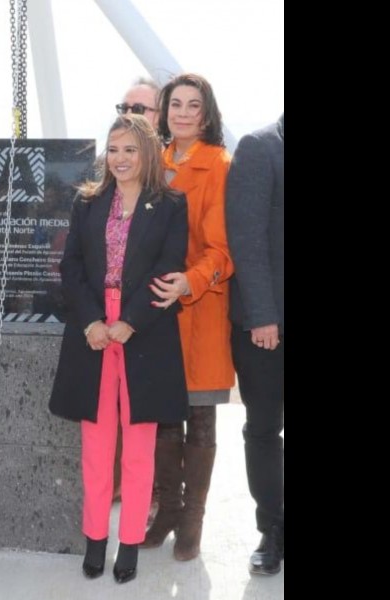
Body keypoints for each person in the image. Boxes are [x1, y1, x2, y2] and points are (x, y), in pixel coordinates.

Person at [49, 114, 188, 584]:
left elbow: (169, 267)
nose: (120, 158)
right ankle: (95, 539)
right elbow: (71, 267)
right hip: (92, 331)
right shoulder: (87, 202)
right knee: (96, 444)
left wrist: (131, 321)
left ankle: (129, 543)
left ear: (147, 153)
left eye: (130, 149)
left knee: (139, 446)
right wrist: (92, 320)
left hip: (143, 330)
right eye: (113, 149)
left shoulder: (170, 205)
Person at [144, 73, 234, 561]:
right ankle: (168, 511)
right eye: (174, 103)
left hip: (200, 306)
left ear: (206, 113)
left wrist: (190, 281)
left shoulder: (218, 165)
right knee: (161, 419)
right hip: (153, 312)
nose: (181, 113)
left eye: (192, 105)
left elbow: (222, 249)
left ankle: (193, 519)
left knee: (199, 419)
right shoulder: (150, 161)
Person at [225, 114, 284, 575]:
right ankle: (273, 530)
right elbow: (246, 239)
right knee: (264, 429)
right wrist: (263, 316)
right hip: (268, 328)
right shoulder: (259, 147)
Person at [112, 77, 161, 508]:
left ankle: (160, 504)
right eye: (124, 107)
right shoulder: (103, 179)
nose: (130, 114)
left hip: (159, 313)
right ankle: (114, 492)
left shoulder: (173, 190)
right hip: (105, 321)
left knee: (160, 421)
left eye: (140, 109)